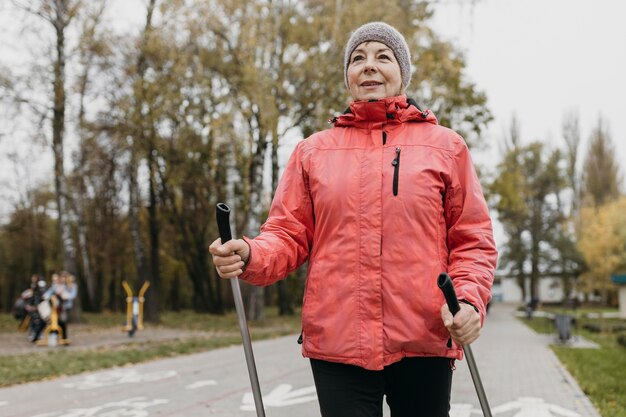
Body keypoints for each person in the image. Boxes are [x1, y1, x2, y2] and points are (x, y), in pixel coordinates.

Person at [209, 21, 497, 417]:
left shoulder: (445, 148)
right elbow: (287, 234)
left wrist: (467, 302)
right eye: (357, 58)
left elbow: (472, 240)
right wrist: (250, 254)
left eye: (383, 56)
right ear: (347, 75)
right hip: (339, 344)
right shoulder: (313, 152)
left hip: (425, 336)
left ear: (403, 72)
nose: (369, 66)